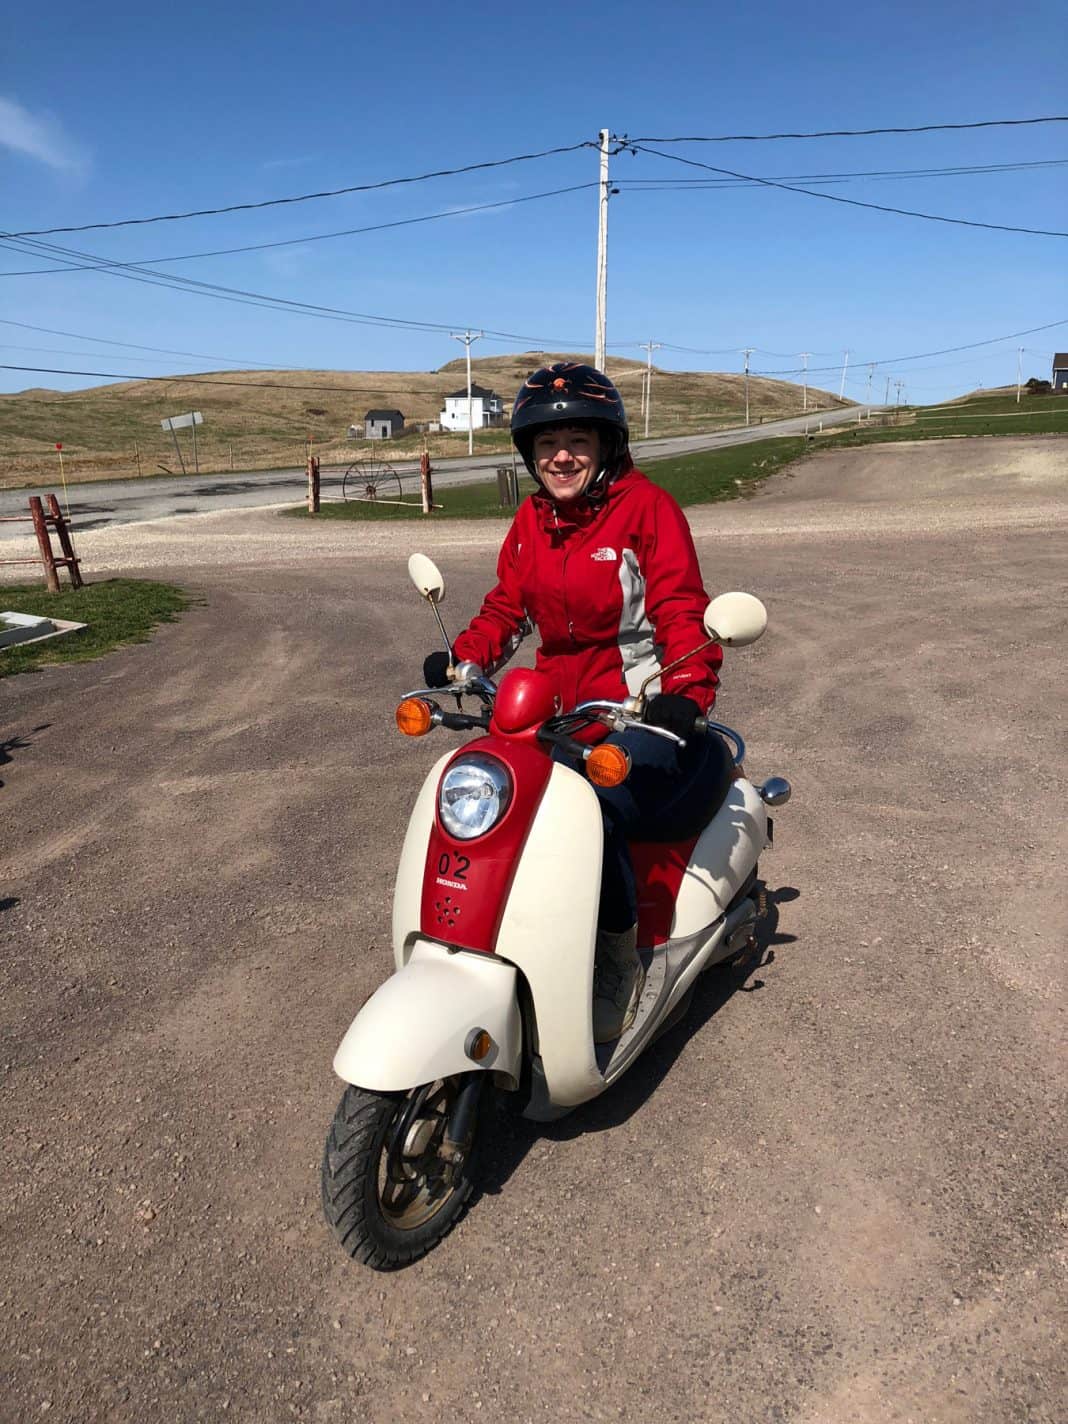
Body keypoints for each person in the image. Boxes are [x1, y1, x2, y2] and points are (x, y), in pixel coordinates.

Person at [423, 362, 731, 1043]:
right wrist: (465, 658)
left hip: (636, 708)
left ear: (607, 444)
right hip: (555, 710)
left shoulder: (647, 509)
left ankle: (616, 960)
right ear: (530, 455)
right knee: (492, 792)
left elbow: (682, 608)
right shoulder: (533, 519)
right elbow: (507, 604)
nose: (561, 455)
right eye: (546, 443)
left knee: (595, 810)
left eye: (577, 440)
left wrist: (685, 693)